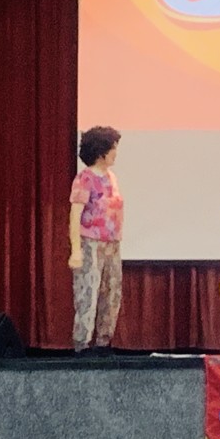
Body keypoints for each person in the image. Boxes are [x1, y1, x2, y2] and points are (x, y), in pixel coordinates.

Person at [68, 126, 124, 356]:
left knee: (111, 294)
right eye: (113, 148)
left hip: (112, 244)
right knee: (88, 294)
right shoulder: (85, 179)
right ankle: (82, 345)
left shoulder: (112, 177)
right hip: (90, 243)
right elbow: (75, 216)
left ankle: (103, 343)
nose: (116, 153)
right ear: (101, 152)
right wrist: (76, 250)